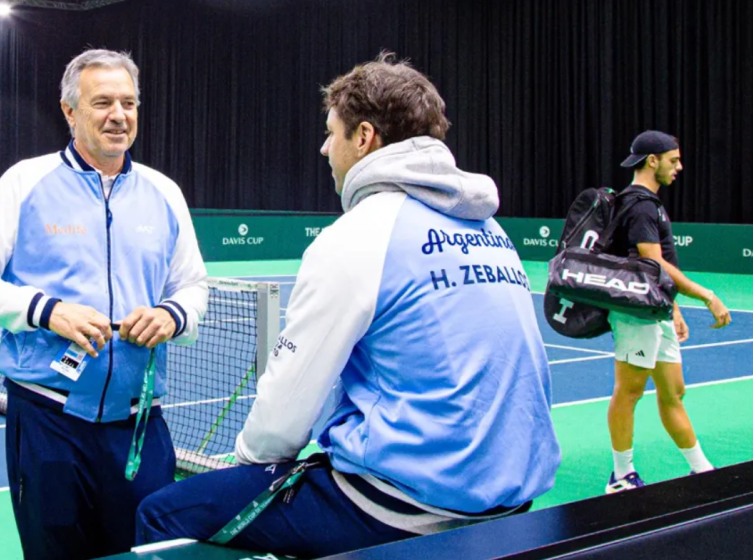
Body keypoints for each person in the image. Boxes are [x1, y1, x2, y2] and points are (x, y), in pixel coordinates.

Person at [135, 53, 561, 557]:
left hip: (407, 505)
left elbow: (285, 413)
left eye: (331, 132)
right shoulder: (489, 230)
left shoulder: (360, 234)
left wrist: (248, 468)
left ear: (363, 138)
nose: (323, 147)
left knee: (163, 514)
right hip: (515, 498)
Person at [0, 49, 208, 560]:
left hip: (139, 427)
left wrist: (171, 316)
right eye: (103, 102)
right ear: (70, 112)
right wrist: (48, 310)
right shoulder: (25, 181)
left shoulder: (165, 192)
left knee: (149, 555)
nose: (119, 115)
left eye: (129, 103)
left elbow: (194, 289)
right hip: (48, 421)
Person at [603, 130, 732, 494]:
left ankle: (700, 468)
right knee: (628, 392)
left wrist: (672, 307)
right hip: (635, 314)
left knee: (673, 391)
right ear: (652, 160)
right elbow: (653, 261)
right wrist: (706, 296)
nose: (679, 167)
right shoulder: (640, 204)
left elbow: (656, 268)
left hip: (656, 311)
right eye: (673, 160)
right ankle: (621, 475)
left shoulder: (650, 202)